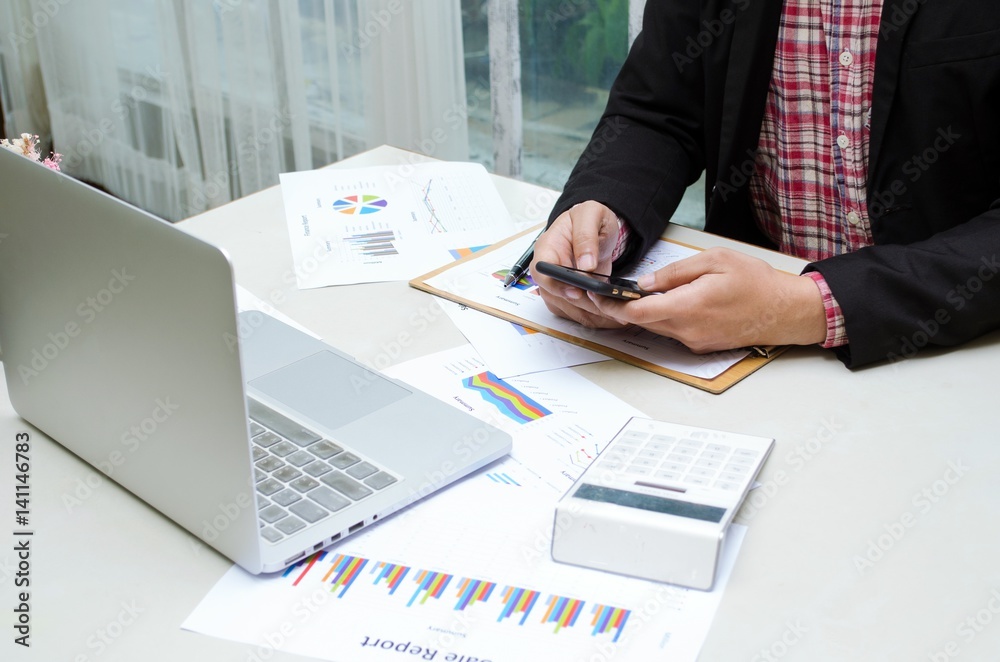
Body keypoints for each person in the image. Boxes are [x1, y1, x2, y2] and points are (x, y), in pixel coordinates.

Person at [529, 0, 1000, 368]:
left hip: (956, 350)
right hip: (739, 347)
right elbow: (659, 110)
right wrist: (604, 208)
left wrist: (802, 305)